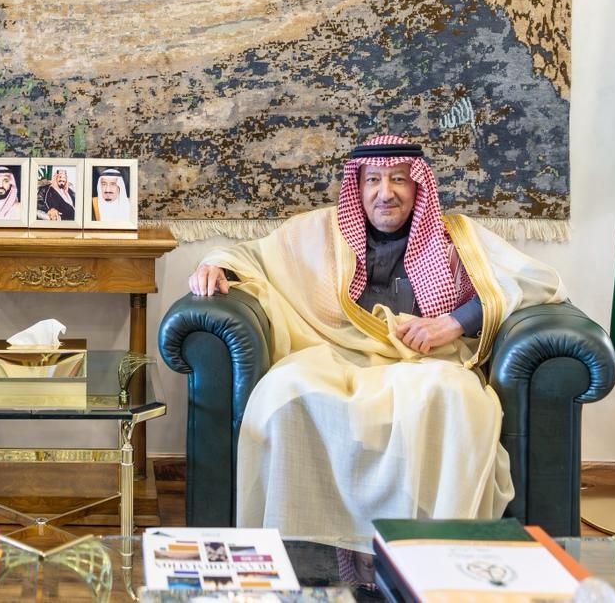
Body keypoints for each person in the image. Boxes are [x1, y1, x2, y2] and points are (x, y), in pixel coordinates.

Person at [187, 134, 565, 538]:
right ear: (358, 186)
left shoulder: (456, 237)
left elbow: (540, 282)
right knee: (284, 388)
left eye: (398, 179)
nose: (385, 193)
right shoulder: (320, 232)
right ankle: (306, 549)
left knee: (458, 398)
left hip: (426, 362)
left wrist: (454, 322)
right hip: (334, 356)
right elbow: (252, 257)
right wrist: (216, 268)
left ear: (417, 185)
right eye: (373, 180)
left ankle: (432, 548)